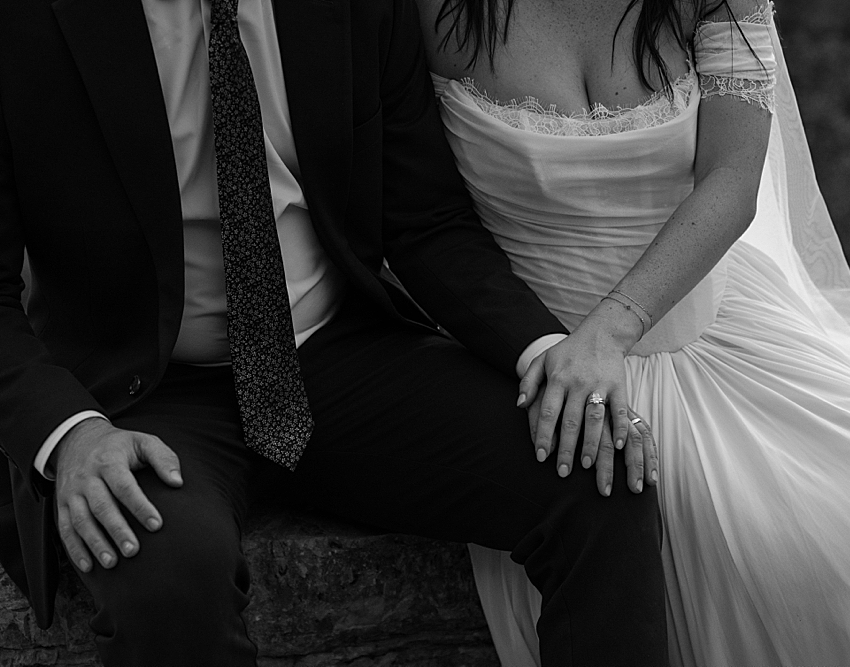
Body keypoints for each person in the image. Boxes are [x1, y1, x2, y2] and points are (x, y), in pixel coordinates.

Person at [0, 1, 672, 665]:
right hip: (141, 392)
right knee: (169, 583)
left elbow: (425, 222)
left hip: (336, 356)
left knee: (598, 475)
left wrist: (545, 349)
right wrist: (70, 434)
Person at [415, 0, 850, 663]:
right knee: (796, 564)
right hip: (546, 351)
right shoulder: (432, 12)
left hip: (709, 317)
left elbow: (731, 176)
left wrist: (615, 326)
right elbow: (416, 214)